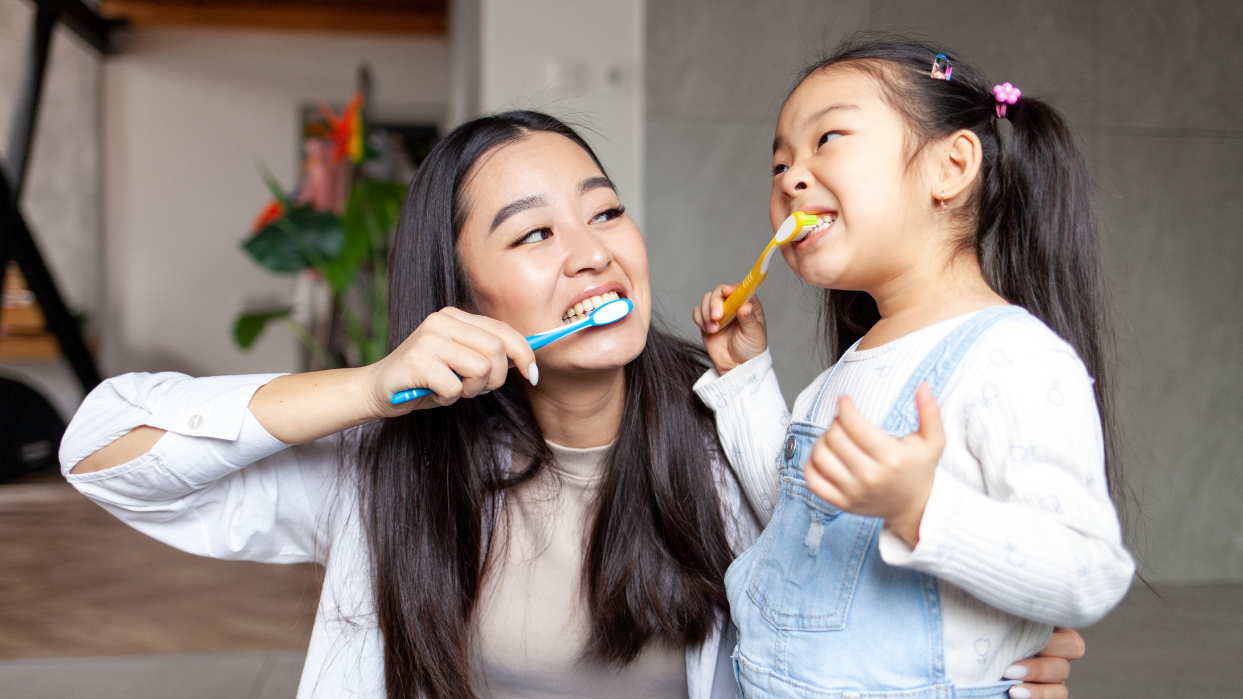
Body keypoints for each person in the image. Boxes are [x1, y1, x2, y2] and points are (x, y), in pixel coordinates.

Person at [62, 111, 1082, 699]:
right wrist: (371, 388)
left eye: (603, 211)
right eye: (533, 234)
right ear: (461, 296)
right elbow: (105, 450)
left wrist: (995, 654)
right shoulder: (387, 464)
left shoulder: (732, 424)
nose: (593, 249)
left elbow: (865, 604)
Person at [692, 33, 1131, 699]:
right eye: (777, 164)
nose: (789, 178)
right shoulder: (850, 366)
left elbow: (1090, 568)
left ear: (950, 166)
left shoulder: (1012, 358)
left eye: (827, 139)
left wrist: (923, 507)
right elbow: (794, 520)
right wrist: (744, 377)